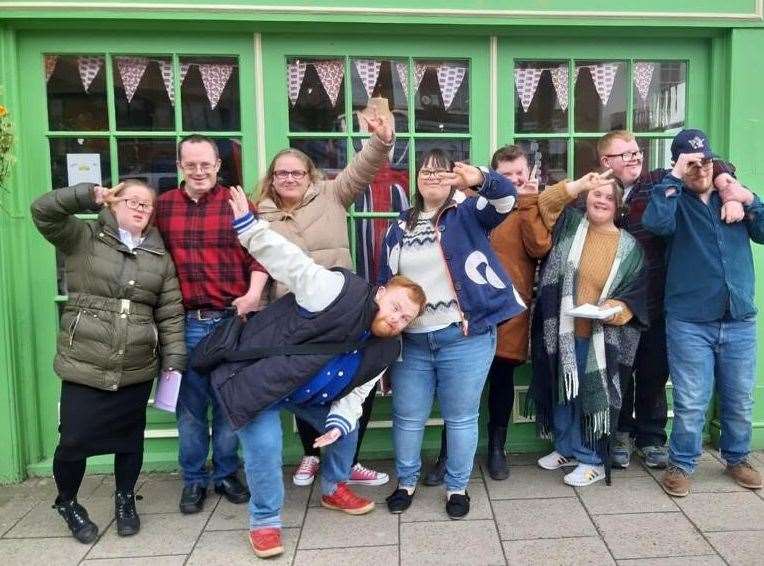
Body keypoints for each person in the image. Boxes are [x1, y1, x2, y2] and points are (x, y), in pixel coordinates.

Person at [208, 186, 426, 558]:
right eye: (395, 306)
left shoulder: (389, 346)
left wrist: (338, 423)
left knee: (346, 426)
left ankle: (333, 488)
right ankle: (265, 521)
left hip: (308, 394)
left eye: (406, 318)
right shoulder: (336, 290)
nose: (396, 318)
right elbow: (293, 263)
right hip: (260, 380)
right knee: (265, 448)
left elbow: (356, 394)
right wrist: (249, 229)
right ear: (380, 294)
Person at [31, 180, 186, 542]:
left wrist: (174, 359)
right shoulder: (84, 237)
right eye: (132, 201)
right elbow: (42, 211)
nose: (140, 209)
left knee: (129, 440)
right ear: (115, 203)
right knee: (73, 440)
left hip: (135, 366)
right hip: (85, 361)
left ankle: (125, 499)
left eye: (147, 206)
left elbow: (171, 313)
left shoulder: (159, 257)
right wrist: (88, 195)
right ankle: (67, 502)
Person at [379, 150, 525, 519]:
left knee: (460, 417)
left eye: (439, 171)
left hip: (463, 337)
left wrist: (478, 177)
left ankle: (457, 487)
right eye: (425, 171)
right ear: (415, 179)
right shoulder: (400, 225)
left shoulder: (469, 214)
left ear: (451, 178)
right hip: (412, 340)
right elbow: (387, 281)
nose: (431, 176)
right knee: (407, 416)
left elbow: (507, 196)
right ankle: (406, 482)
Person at [256, 111, 394, 488]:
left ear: (309, 176)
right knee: (305, 385)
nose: (288, 178)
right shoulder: (260, 217)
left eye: (296, 173)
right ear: (272, 179)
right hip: (294, 317)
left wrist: (381, 141)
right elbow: (258, 265)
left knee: (352, 384)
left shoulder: (332, 195)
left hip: (343, 313)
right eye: (281, 173)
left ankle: (349, 463)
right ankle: (311, 456)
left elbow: (362, 168)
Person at [643, 129, 764, 497]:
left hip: (738, 316)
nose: (701, 168)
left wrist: (749, 198)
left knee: (740, 397)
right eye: (692, 163)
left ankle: (738, 458)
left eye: (705, 161)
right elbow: (656, 224)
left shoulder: (734, 199)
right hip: (689, 320)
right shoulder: (672, 198)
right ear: (680, 164)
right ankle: (681, 463)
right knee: (691, 400)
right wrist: (675, 177)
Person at [422, 145, 551, 484]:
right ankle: (448, 454)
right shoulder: (466, 207)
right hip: (467, 311)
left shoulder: (528, 206)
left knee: (501, 382)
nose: (514, 179)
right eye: (506, 175)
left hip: (507, 310)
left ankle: (497, 447)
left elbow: (540, 247)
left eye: (519, 173)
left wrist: (527, 204)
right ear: (492, 176)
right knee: (458, 387)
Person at [155, 135, 268, 514]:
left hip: (231, 321)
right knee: (189, 409)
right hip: (183, 323)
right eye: (191, 165)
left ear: (218, 165)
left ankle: (225, 473)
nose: (199, 171)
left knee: (227, 406)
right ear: (180, 166)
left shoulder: (237, 204)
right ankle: (193, 480)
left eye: (206, 164)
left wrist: (253, 296)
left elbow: (261, 254)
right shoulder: (164, 207)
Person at [529, 170, 647, 487]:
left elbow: (635, 295)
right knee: (563, 393)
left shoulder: (630, 247)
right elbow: (544, 202)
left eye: (610, 197)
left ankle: (591, 458)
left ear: (619, 206)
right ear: (588, 197)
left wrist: (616, 309)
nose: (602, 200)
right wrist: (580, 184)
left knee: (591, 397)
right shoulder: (569, 225)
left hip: (601, 338)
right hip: (561, 332)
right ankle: (565, 448)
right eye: (598, 194)